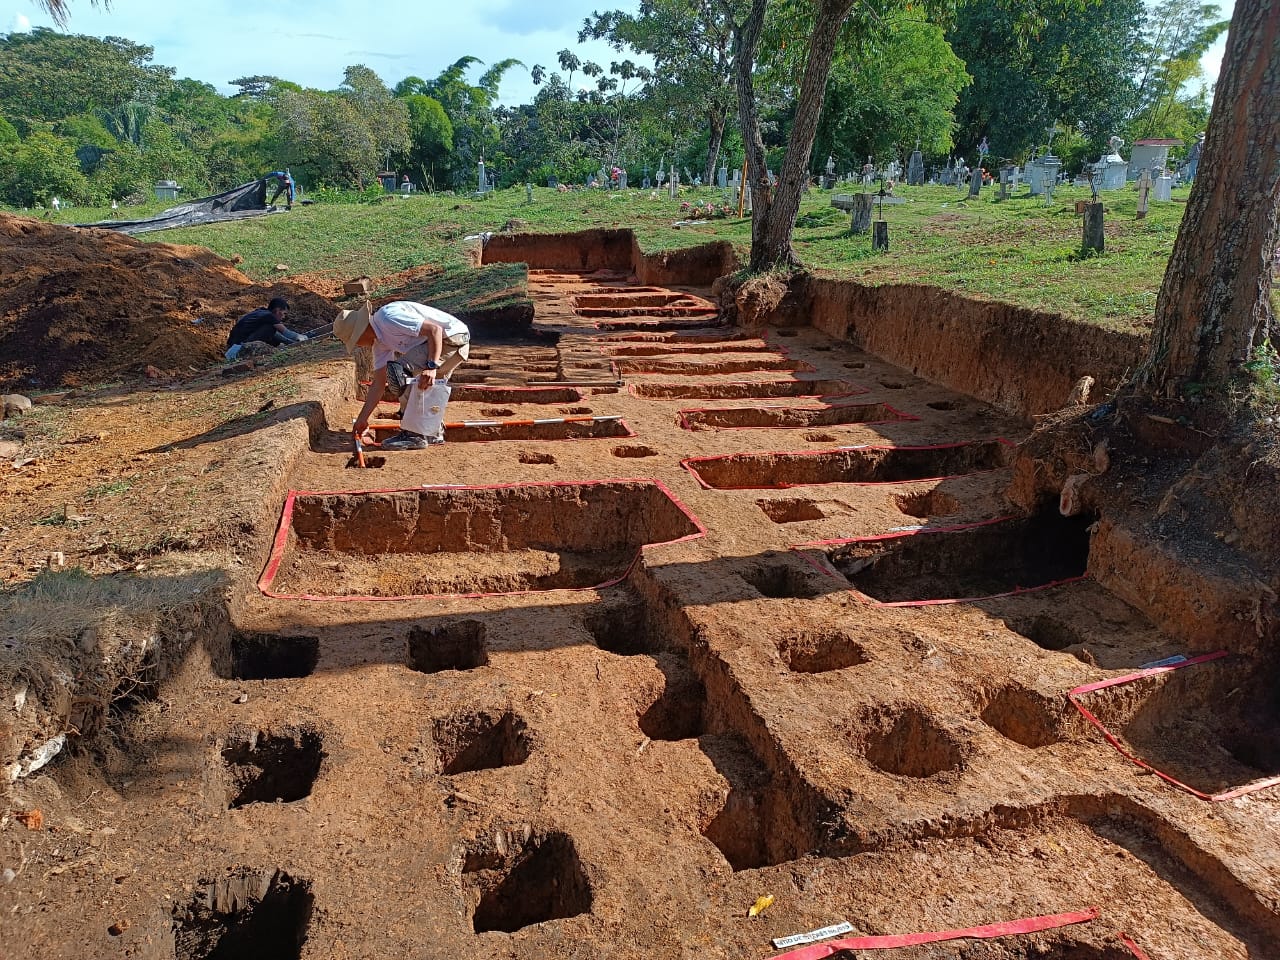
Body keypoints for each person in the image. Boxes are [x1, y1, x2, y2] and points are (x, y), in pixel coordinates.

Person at [336, 300, 471, 451]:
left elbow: (435, 330)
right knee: (425, 384)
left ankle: (413, 435)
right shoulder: (380, 344)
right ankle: (432, 432)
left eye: (355, 341)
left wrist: (431, 366)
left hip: (452, 339)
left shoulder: (388, 318)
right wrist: (362, 419)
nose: (358, 345)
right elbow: (378, 384)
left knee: (399, 372)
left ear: (360, 331)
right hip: (449, 343)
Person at [225, 297, 307, 360]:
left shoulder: (261, 312)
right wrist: (303, 338)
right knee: (271, 329)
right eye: (284, 313)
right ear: (278, 310)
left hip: (233, 347)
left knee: (273, 333)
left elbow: (279, 336)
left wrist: (289, 342)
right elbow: (286, 333)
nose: (284, 317)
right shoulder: (269, 316)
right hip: (238, 349)